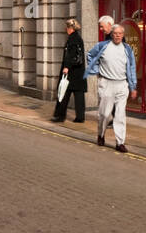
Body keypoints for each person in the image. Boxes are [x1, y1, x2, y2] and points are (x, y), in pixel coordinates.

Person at [86, 23, 138, 153]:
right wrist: (96, 70)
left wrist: (133, 87)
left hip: (122, 84)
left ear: (123, 35)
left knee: (120, 115)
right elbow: (90, 55)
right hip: (107, 83)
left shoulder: (127, 49)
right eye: (115, 33)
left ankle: (120, 142)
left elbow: (131, 68)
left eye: (120, 34)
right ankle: (101, 134)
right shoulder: (102, 46)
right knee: (104, 114)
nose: (117, 36)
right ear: (111, 34)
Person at [52, 18, 86, 123]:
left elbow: (70, 55)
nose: (66, 29)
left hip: (71, 71)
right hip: (79, 72)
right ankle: (80, 117)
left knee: (63, 92)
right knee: (79, 94)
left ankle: (60, 116)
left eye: (67, 27)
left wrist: (66, 67)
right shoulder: (78, 38)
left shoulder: (72, 39)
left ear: (71, 28)